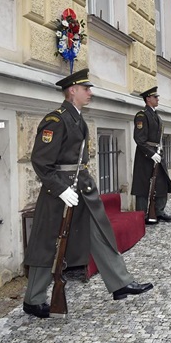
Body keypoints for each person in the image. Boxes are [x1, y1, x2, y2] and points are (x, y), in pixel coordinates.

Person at [23, 69, 152, 319]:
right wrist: (60, 190)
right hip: (59, 193)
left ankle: (120, 282)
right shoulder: (56, 120)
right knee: (48, 243)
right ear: (72, 91)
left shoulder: (77, 119)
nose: (90, 93)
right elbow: (41, 162)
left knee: (101, 233)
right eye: (86, 89)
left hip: (81, 188)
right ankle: (33, 299)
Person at [132, 86, 171, 225]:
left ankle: (159, 211)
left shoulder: (156, 115)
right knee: (144, 184)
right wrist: (151, 154)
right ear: (148, 99)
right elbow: (139, 139)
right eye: (155, 97)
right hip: (146, 155)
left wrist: (159, 150)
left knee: (161, 181)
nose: (158, 99)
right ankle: (142, 214)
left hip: (157, 152)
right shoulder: (142, 115)